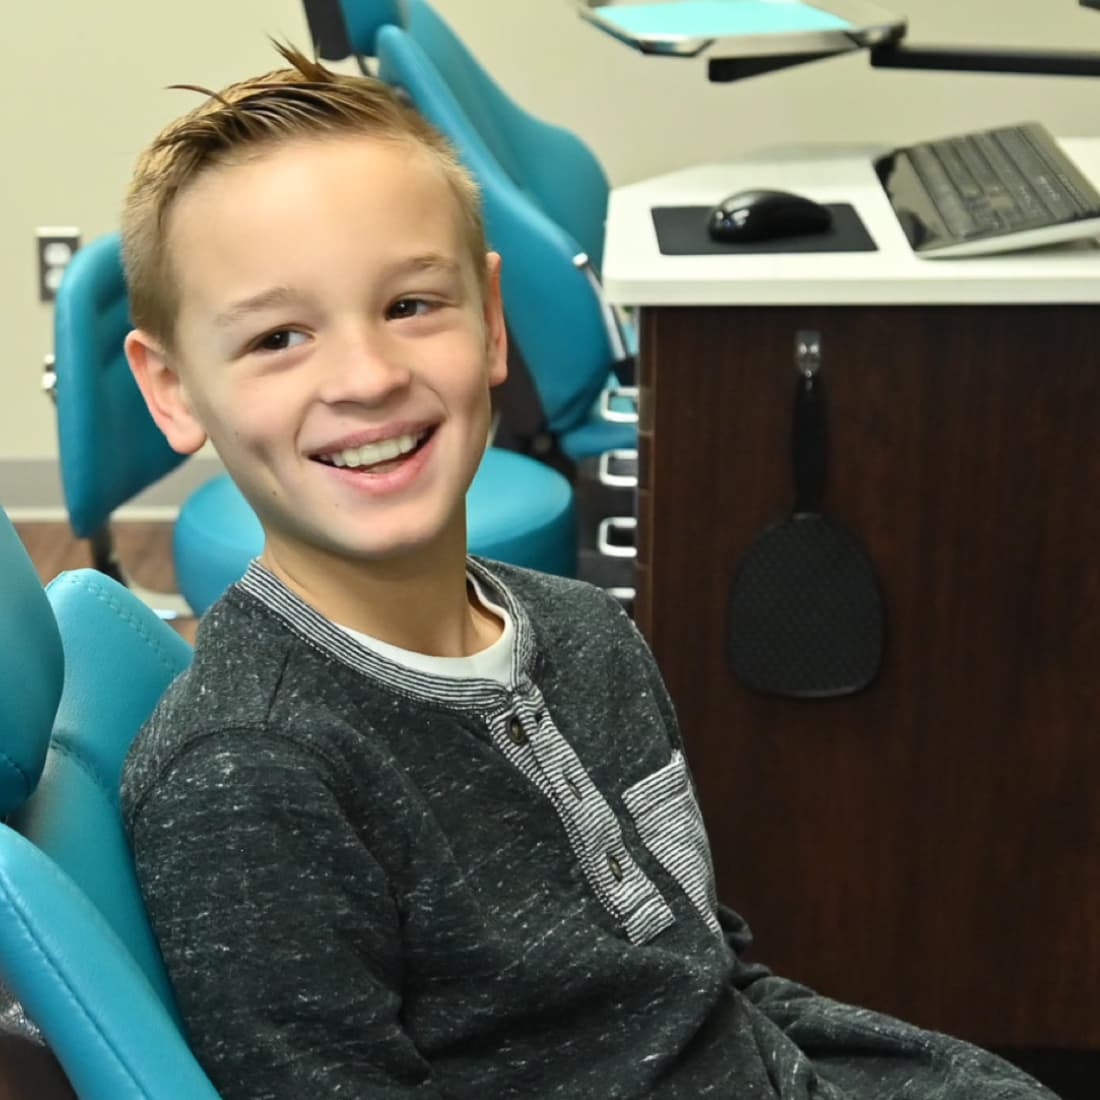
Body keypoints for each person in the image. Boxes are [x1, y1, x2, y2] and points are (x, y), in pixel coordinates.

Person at [120, 44, 1058, 1100]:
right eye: (280, 336)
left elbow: (701, 970)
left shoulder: (584, 632)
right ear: (173, 388)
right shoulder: (249, 777)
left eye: (411, 305)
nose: (367, 376)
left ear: (490, 318)